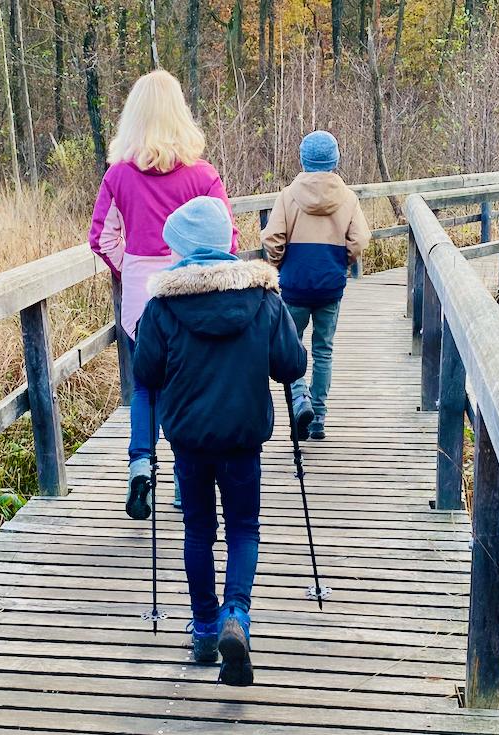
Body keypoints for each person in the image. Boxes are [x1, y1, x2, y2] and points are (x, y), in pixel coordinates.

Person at [133, 197, 307, 687]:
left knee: (197, 531)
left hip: (188, 440)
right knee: (244, 529)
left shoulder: (162, 306)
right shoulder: (264, 298)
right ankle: (238, 616)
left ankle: (206, 629)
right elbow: (291, 365)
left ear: (183, 250)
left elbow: (145, 374)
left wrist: (141, 453)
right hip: (243, 439)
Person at [88, 70, 238, 516]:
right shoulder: (204, 175)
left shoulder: (118, 176)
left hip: (140, 295)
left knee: (145, 386)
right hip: (191, 290)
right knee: (186, 386)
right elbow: (226, 243)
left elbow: (102, 237)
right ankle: (181, 482)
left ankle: (139, 463)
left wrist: (129, 267)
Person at [260, 130, 370, 441]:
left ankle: (299, 399)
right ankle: (318, 417)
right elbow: (360, 239)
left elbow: (272, 238)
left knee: (291, 346)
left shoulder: (288, 195)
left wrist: (280, 264)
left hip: (294, 285)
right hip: (329, 286)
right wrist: (341, 262)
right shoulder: (348, 197)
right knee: (324, 351)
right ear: (335, 160)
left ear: (304, 160)